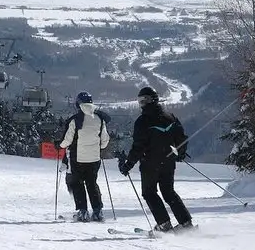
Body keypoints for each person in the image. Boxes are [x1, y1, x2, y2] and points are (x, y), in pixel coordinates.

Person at [117, 87, 193, 232]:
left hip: (150, 163)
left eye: (145, 100)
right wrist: (181, 153)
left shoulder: (142, 121)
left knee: (149, 193)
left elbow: (138, 146)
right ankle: (185, 222)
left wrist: (128, 164)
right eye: (140, 101)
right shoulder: (170, 117)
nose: (142, 104)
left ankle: (164, 224)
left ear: (153, 100)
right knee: (168, 192)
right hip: (168, 161)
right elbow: (181, 138)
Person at [56, 91, 110, 222]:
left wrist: (59, 145)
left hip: (78, 159)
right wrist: (98, 149)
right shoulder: (99, 119)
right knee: (92, 184)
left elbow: (67, 140)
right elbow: (105, 140)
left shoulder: (75, 120)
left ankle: (83, 211)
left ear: (78, 104)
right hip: (94, 159)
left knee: (77, 184)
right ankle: (97, 211)